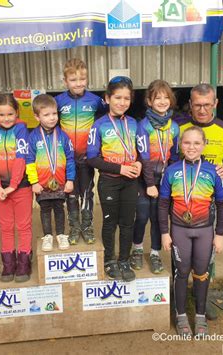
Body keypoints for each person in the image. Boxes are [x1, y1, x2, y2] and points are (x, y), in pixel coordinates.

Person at [176, 83, 223, 319]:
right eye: (197, 105)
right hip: (182, 203)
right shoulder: (179, 128)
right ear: (191, 105)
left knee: (205, 256)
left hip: (211, 204)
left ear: (216, 104)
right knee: (182, 260)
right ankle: (180, 301)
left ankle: (202, 299)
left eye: (207, 104)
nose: (202, 109)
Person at [158, 126, 223, 338]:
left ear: (204, 145)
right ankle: (180, 316)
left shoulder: (213, 171)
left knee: (201, 272)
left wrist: (220, 234)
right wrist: (164, 232)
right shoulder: (171, 170)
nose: (192, 147)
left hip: (205, 231)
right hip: (179, 230)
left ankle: (199, 316)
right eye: (187, 142)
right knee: (181, 272)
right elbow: (162, 204)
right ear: (180, 145)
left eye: (197, 143)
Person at [87, 76, 141, 282]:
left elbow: (140, 151)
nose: (122, 102)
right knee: (110, 223)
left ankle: (124, 259)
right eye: (117, 97)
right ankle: (109, 259)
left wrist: (139, 164)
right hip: (109, 181)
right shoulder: (98, 125)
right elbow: (92, 158)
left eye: (126, 98)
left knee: (128, 222)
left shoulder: (134, 123)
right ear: (107, 98)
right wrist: (120, 168)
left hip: (131, 181)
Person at [55, 58, 106, 244]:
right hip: (66, 159)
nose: (78, 83)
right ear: (65, 81)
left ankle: (87, 226)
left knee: (87, 192)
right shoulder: (58, 101)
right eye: (73, 80)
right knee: (70, 193)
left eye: (82, 79)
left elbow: (107, 119)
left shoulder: (95, 101)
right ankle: (74, 227)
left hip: (87, 158)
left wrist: (98, 148)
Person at [132, 80, 180, 274]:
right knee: (142, 216)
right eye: (157, 97)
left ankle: (155, 253)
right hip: (145, 180)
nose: (162, 101)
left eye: (166, 97)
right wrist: (150, 183)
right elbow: (143, 156)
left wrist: (173, 181)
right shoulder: (143, 126)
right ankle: (136, 250)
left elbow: (175, 156)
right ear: (149, 101)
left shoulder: (174, 127)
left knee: (158, 218)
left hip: (165, 180)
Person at [0, 94, 32, 282]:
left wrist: (13, 186)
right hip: (1, 189)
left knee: (23, 225)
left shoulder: (21, 129)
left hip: (20, 187)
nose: (6, 118)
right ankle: (8, 264)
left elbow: (21, 159)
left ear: (17, 113)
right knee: (5, 226)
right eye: (1, 114)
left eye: (10, 114)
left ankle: (23, 263)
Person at [26, 94, 75, 251]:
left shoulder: (63, 136)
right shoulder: (32, 137)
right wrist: (34, 182)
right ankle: (47, 236)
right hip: (42, 184)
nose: (52, 118)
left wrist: (70, 179)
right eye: (46, 115)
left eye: (54, 114)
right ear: (36, 116)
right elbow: (29, 162)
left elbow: (70, 159)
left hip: (60, 182)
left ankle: (61, 235)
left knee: (60, 208)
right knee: (45, 210)